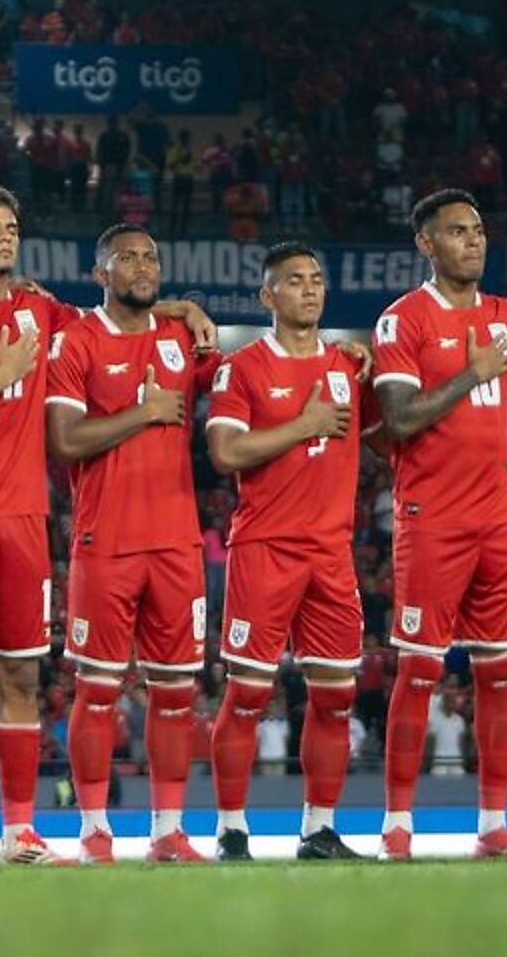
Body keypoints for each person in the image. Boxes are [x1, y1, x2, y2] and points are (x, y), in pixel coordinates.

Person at [0, 186, 212, 866]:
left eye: (11, 227)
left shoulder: (42, 311)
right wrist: (6, 370)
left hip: (24, 519)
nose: (5, 237)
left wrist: (179, 308)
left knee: (20, 678)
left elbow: (118, 315)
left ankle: (18, 832)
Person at [369, 190, 507, 860]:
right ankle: (396, 825)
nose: (474, 241)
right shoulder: (402, 320)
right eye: (458, 231)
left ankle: (493, 825)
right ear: (426, 244)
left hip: (498, 516)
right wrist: (473, 373)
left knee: (501, 674)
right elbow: (400, 418)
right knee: (418, 673)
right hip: (431, 516)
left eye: (478, 229)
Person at [45, 224, 218, 865]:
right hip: (106, 540)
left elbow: (252, 373)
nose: (143, 266)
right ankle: (94, 830)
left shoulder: (179, 336)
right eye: (127, 257)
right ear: (101, 274)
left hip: (176, 541)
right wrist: (143, 413)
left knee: (175, 694)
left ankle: (168, 830)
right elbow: (64, 440)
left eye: (151, 256)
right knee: (97, 691)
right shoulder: (76, 340)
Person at [204, 242, 372, 862]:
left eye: (316, 279)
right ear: (267, 296)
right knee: (247, 695)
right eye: (295, 280)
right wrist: (303, 425)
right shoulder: (242, 367)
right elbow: (225, 452)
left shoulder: (345, 365)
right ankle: (231, 830)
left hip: (331, 554)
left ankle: (318, 829)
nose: (309, 289)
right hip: (265, 548)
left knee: (335, 697)